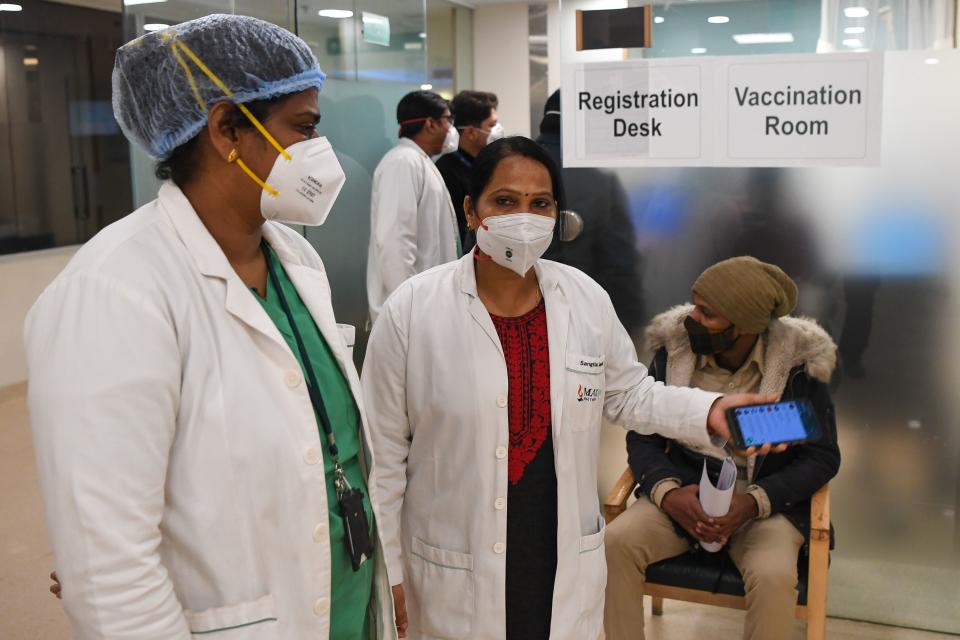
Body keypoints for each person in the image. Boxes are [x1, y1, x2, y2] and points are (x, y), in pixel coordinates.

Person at [25, 15, 394, 638]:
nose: (319, 152)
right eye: (303, 128)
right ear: (227, 128)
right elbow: (108, 571)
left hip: (345, 605)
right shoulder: (117, 291)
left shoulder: (296, 262)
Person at [360, 137, 781, 640]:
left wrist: (709, 411)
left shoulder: (583, 298)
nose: (525, 216)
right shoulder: (412, 309)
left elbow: (630, 394)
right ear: (471, 211)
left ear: (557, 215)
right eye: (505, 201)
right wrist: (389, 571)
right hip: (453, 560)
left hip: (557, 551)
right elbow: (382, 456)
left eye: (540, 203)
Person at [603, 256, 841, 640]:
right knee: (615, 543)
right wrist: (668, 493)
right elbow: (642, 431)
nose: (691, 319)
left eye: (707, 313)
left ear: (745, 325)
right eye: (694, 304)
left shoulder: (798, 369)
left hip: (763, 507)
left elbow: (822, 456)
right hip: (684, 493)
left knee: (774, 575)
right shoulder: (673, 353)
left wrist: (752, 503)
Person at [535, 89, 645, 336]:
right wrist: (630, 327)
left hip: (509, 315)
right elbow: (620, 264)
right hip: (581, 319)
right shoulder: (600, 181)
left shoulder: (508, 167)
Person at [367, 90, 461, 324]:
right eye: (448, 120)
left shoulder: (419, 160)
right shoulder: (403, 162)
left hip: (426, 302)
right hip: (410, 309)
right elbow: (395, 241)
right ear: (430, 124)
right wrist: (408, 304)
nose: (451, 129)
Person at [435, 90, 502, 253]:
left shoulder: (489, 163)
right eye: (492, 125)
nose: (498, 130)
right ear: (471, 132)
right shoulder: (448, 170)